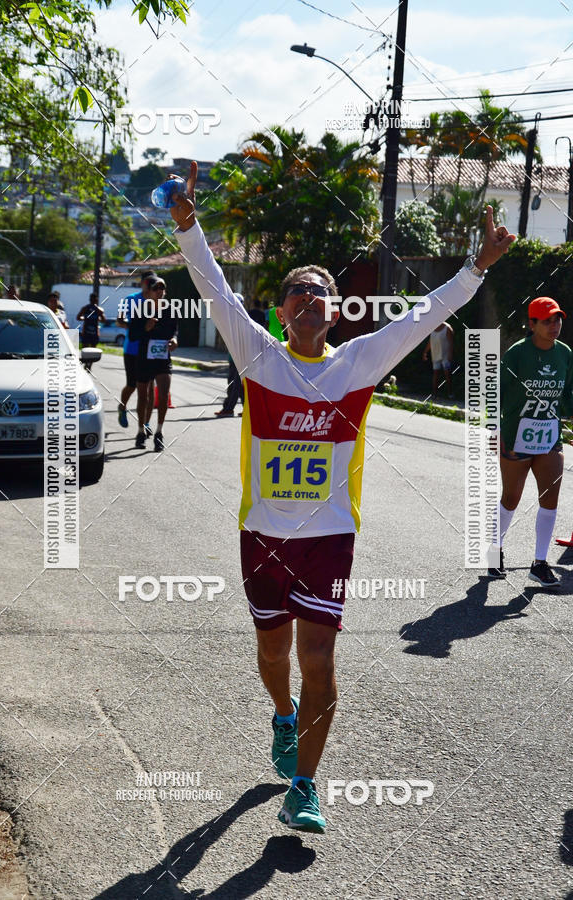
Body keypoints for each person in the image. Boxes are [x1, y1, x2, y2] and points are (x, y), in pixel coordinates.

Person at [170, 161, 515, 834]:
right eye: (295, 292)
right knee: (273, 656)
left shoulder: (358, 364)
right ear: (282, 310)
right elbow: (213, 288)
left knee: (319, 659)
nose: (306, 301)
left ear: (335, 312)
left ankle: (304, 785)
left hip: (328, 539)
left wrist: (479, 266)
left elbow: (426, 313)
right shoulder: (258, 357)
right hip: (262, 538)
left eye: (318, 292)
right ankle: (281, 716)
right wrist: (189, 225)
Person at [488, 297, 573, 586]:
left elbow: (568, 396)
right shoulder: (516, 354)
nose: (554, 325)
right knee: (511, 497)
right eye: (547, 320)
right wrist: (495, 430)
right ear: (532, 324)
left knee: (550, 500)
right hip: (515, 436)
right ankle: (494, 550)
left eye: (557, 319)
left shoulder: (565, 354)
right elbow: (494, 392)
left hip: (550, 437)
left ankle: (539, 563)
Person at [135, 276, 178, 452]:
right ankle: (140, 431)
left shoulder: (171, 310)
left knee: (163, 395)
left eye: (162, 288)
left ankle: (159, 432)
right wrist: (147, 327)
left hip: (163, 358)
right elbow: (134, 334)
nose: (159, 291)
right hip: (144, 358)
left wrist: (174, 340)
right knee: (143, 397)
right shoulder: (141, 309)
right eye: (156, 289)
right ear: (150, 292)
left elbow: (175, 331)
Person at [215, 295, 268, 418]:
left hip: (241, 357)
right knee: (237, 383)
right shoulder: (232, 318)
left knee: (235, 383)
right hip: (234, 356)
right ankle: (246, 409)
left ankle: (229, 408)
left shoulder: (243, 318)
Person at [116, 271, 156, 433]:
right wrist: (133, 328)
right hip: (132, 348)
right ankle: (122, 406)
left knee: (150, 388)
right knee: (132, 385)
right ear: (144, 283)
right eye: (150, 282)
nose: (152, 285)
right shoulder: (130, 299)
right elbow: (119, 321)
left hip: (150, 351)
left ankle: (146, 423)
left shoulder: (158, 301)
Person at [422, 321, 454, 398]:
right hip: (435, 355)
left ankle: (450, 393)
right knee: (436, 374)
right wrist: (425, 352)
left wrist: (450, 354)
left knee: (447, 374)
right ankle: (434, 394)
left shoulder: (447, 328)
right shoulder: (432, 327)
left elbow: (451, 343)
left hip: (445, 356)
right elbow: (430, 341)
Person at [77, 292, 105, 369]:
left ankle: (89, 365)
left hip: (94, 333)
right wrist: (86, 318)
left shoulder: (98, 310)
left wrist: (97, 317)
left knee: (92, 350)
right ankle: (87, 363)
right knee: (86, 349)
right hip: (86, 332)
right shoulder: (85, 308)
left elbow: (103, 320)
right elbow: (78, 317)